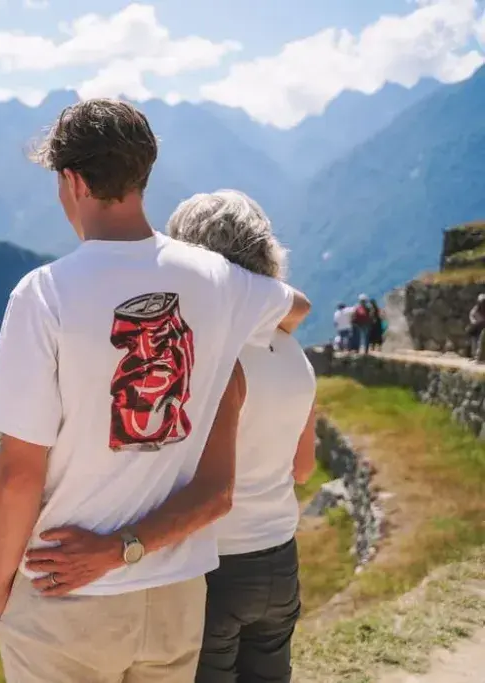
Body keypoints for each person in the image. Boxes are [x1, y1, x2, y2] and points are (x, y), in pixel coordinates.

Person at [0, 98, 311, 683]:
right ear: (144, 174)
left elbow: (20, 472)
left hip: (65, 598)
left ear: (72, 180)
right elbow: (296, 307)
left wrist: (2, 586)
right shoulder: (219, 281)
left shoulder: (43, 295)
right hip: (175, 596)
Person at [162, 193, 317, 683]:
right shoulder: (295, 352)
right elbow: (303, 469)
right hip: (280, 559)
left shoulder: (211, 354)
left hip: (215, 565)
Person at [468, 294, 485, 359]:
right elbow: (471, 315)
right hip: (477, 328)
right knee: (475, 340)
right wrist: (474, 322)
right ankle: (475, 355)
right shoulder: (476, 309)